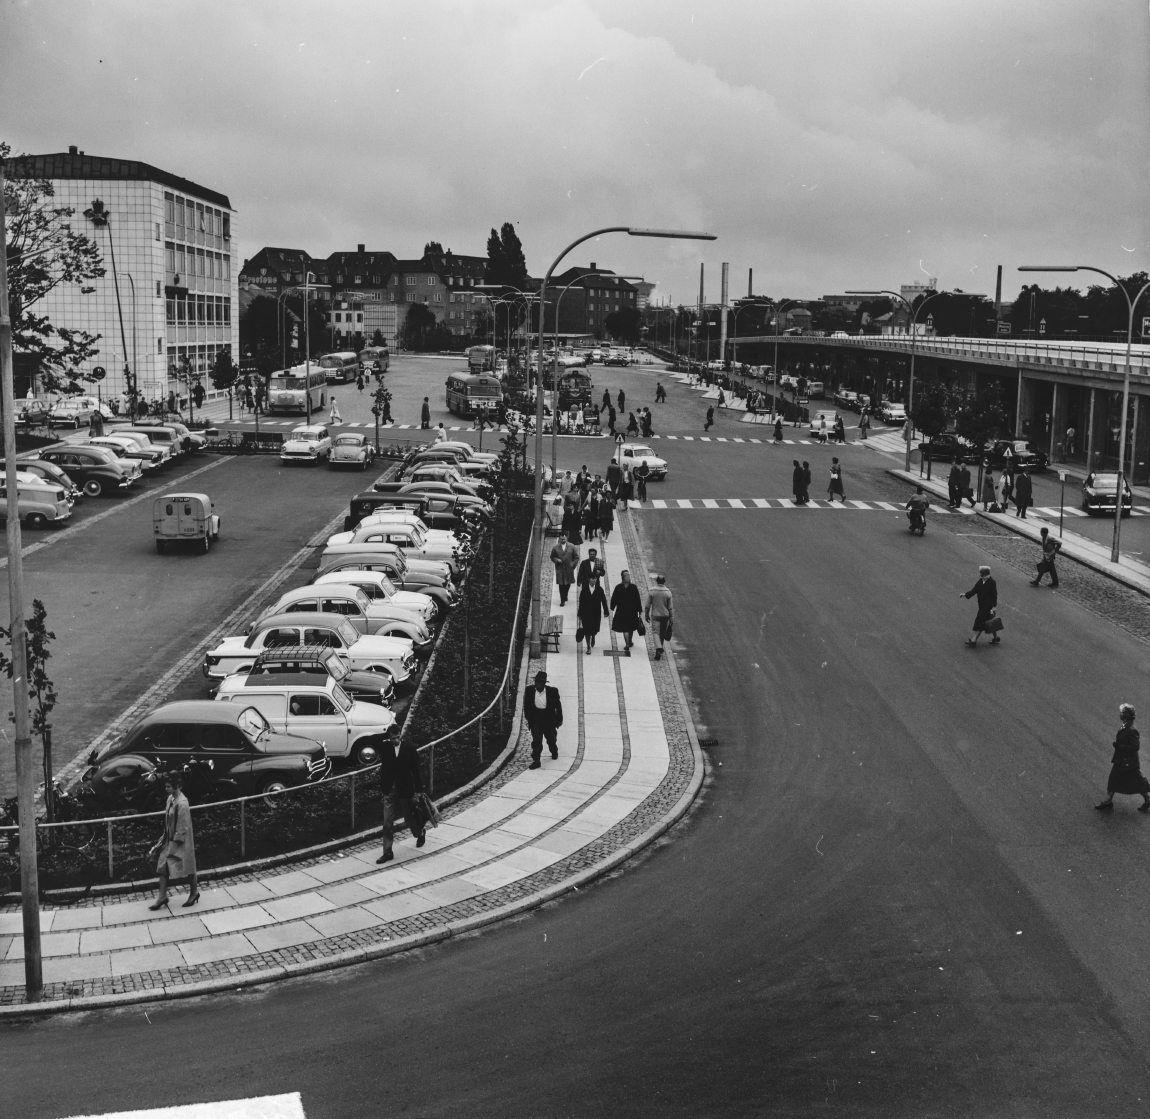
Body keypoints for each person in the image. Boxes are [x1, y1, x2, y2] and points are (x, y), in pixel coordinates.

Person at [147, 772, 199, 910]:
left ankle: (194, 892)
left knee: (188, 866)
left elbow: (183, 826)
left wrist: (175, 843)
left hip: (181, 841)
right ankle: (162, 897)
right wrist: (164, 838)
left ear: (177, 786)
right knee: (162, 866)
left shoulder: (182, 803)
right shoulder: (170, 799)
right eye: (166, 786)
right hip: (170, 839)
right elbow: (168, 821)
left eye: (169, 786)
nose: (166, 789)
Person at [376, 738, 426, 862]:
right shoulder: (386, 747)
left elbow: (415, 770)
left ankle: (420, 833)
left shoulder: (409, 747)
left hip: (405, 789)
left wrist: (419, 790)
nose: (395, 740)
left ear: (400, 735)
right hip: (389, 789)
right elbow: (374, 740)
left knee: (410, 818)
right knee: (387, 822)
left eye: (397, 737)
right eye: (392, 737)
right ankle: (387, 852)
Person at [1095, 704, 1150, 812]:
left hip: (1127, 762)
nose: (1120, 714)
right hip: (1122, 760)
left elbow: (1135, 746)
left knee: (1137, 782)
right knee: (1114, 779)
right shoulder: (1126, 725)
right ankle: (1108, 800)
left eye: (1122, 713)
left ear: (1126, 715)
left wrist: (1121, 746)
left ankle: (1147, 799)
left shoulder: (1131, 729)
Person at [523, 670, 563, 770]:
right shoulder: (529, 690)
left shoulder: (553, 691)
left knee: (551, 739)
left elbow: (558, 707)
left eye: (540, 683)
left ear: (544, 683)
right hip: (536, 719)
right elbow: (526, 706)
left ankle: (554, 750)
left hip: (549, 719)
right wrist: (529, 719)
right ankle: (536, 760)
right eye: (536, 682)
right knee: (536, 741)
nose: (537, 685)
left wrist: (559, 720)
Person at [961, 565, 1000, 647]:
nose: (981, 577)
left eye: (982, 575)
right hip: (982, 606)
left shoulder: (992, 582)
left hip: (988, 608)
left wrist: (994, 607)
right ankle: (996, 638)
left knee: (980, 623)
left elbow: (994, 595)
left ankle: (973, 641)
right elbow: (974, 590)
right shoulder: (980, 581)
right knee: (990, 623)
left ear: (987, 575)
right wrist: (965, 594)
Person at [610, 570, 644, 655]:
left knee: (630, 627)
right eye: (627, 576)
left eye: (629, 576)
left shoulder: (633, 587)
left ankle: (629, 641)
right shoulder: (618, 587)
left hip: (632, 611)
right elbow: (614, 598)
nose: (629, 577)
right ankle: (627, 643)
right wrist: (612, 607)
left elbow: (637, 599)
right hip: (622, 611)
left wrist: (639, 610)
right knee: (626, 628)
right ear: (623, 578)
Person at [644, 574, 674, 660]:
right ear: (664, 582)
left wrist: (646, 614)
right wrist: (671, 618)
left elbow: (647, 605)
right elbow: (670, 608)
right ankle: (658, 652)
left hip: (656, 615)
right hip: (665, 616)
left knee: (655, 632)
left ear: (657, 581)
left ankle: (659, 648)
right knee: (662, 634)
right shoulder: (668, 592)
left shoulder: (652, 591)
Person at [577, 575, 609, 654]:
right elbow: (581, 602)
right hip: (586, 614)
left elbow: (604, 601)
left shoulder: (599, 589)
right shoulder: (584, 590)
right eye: (592, 578)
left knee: (594, 629)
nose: (594, 580)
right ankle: (588, 647)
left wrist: (606, 611)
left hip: (596, 613)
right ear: (589, 579)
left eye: (595, 579)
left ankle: (593, 636)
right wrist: (580, 614)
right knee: (587, 631)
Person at [549, 532, 580, 606]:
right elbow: (552, 557)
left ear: (567, 538)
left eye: (564, 538)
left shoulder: (572, 546)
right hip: (560, 569)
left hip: (569, 569)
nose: (563, 539)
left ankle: (565, 595)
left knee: (567, 584)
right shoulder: (555, 548)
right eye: (561, 538)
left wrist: (573, 564)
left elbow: (576, 557)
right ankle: (562, 600)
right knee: (561, 585)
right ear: (559, 538)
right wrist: (556, 560)